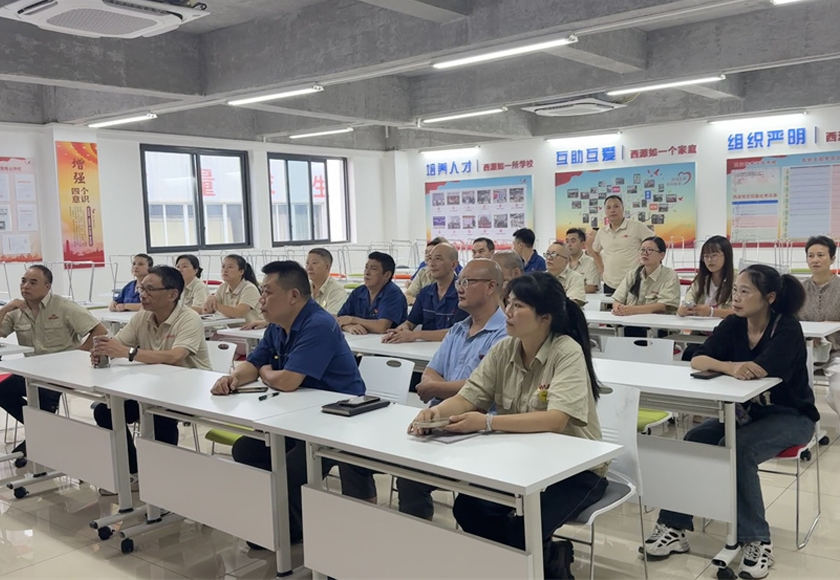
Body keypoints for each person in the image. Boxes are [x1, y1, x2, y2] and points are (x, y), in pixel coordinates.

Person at [409, 272, 606, 580]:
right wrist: (434, 414)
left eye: (518, 306)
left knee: (525, 531)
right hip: (523, 462)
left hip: (576, 469)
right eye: (508, 303)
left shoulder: (566, 351)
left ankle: (548, 564)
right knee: (469, 508)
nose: (508, 312)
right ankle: (549, 556)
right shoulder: (504, 349)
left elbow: (555, 420)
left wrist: (487, 422)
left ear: (544, 317)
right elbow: (469, 396)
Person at [644, 265, 817, 580]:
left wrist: (732, 366)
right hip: (747, 413)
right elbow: (697, 358)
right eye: (735, 290)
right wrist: (730, 366)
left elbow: (759, 370)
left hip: (791, 416)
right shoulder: (733, 324)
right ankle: (674, 526)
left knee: (740, 448)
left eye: (745, 291)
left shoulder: (786, 328)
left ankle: (758, 541)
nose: (736, 297)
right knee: (695, 439)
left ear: (769, 297)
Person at [210, 261, 376, 547]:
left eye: (267, 292)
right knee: (246, 450)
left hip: (339, 420)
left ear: (293, 295)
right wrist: (233, 378)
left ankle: (292, 529)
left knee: (290, 469)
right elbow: (254, 363)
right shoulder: (277, 326)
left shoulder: (318, 324)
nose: (261, 300)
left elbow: (287, 381)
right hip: (298, 415)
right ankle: (288, 524)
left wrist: (265, 373)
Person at [396, 258, 508, 520]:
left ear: (491, 286)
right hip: (438, 422)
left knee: (411, 476)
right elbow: (430, 373)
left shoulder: (505, 333)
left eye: (468, 282)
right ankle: (412, 535)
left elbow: (481, 390)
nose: (460, 287)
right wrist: (441, 387)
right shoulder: (458, 329)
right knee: (389, 465)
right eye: (460, 281)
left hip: (479, 430)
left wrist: (437, 388)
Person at [92, 265, 211, 494]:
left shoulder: (189, 318)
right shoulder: (143, 316)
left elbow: (174, 357)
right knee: (105, 411)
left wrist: (127, 352)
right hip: (153, 388)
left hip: (190, 392)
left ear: (172, 294)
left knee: (159, 417)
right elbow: (118, 344)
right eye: (141, 288)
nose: (142, 294)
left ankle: (164, 485)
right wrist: (103, 351)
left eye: (149, 289)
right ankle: (135, 471)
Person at [0, 265, 108, 463]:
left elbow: (99, 330)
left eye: (33, 282)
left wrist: (77, 355)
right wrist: (6, 309)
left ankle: (40, 437)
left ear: (47, 287)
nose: (26, 286)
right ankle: (45, 432)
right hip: (33, 371)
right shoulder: (16, 310)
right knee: (2, 390)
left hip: (63, 372)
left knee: (44, 393)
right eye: (23, 281)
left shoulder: (63, 306)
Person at [384, 243, 466, 344]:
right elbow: (410, 323)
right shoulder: (425, 293)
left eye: (438, 259)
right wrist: (401, 330)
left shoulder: (463, 293)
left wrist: (415, 335)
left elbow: (457, 332)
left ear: (453, 264)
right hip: (424, 349)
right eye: (430, 259)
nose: (431, 264)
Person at [798, 235, 840, 417]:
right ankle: (802, 427)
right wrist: (806, 334)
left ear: (832, 258)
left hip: (837, 352)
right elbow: (789, 320)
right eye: (811, 255)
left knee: (839, 389)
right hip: (805, 352)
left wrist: (832, 325)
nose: (815, 260)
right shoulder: (799, 290)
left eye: (821, 255)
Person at [589, 196, 654, 294]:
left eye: (616, 206)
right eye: (608, 207)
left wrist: (647, 265)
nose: (612, 210)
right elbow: (595, 251)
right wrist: (602, 270)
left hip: (633, 283)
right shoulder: (602, 232)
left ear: (623, 209)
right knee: (610, 305)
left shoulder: (636, 226)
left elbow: (655, 243)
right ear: (605, 212)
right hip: (610, 283)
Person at [337, 251, 407, 335]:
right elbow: (339, 319)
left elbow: (382, 327)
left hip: (385, 341)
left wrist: (352, 320)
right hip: (359, 339)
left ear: (387, 275)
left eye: (373, 269)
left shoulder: (393, 294)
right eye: (366, 267)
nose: (367, 272)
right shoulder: (358, 292)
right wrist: (348, 327)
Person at [611, 236, 681, 316]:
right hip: (630, 321)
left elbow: (663, 306)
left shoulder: (670, 276)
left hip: (657, 322)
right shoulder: (632, 274)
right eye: (642, 250)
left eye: (650, 250)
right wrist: (618, 308)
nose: (645, 253)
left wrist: (633, 310)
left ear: (662, 255)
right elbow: (618, 299)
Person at [678, 236, 735, 319]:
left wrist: (712, 312)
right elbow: (689, 298)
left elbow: (743, 311)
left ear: (726, 256)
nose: (709, 260)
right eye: (706, 256)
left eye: (714, 255)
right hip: (701, 326)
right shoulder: (701, 279)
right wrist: (683, 310)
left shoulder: (738, 279)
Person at [204, 254, 262, 324]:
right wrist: (210, 300)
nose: (225, 270)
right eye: (223, 267)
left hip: (251, 328)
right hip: (229, 328)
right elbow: (207, 311)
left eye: (230, 267)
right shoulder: (222, 287)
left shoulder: (249, 288)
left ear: (241, 272)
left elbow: (238, 313)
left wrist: (214, 304)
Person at [406, 237, 456, 304]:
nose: (432, 263)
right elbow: (408, 294)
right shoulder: (423, 272)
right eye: (426, 253)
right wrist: (419, 302)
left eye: (437, 258)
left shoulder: (456, 285)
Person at [306, 247, 348, 315]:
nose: (309, 267)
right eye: (307, 263)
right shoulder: (304, 289)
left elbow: (331, 319)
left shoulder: (337, 291)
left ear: (327, 267)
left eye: (314, 263)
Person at [544, 241, 587, 306]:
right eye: (547, 254)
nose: (549, 258)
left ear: (566, 260)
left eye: (554, 254)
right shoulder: (539, 278)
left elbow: (573, 304)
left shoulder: (575, 278)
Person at [565, 228, 600, 293]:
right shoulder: (562, 262)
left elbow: (591, 288)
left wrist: (566, 289)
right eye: (567, 241)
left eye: (573, 241)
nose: (569, 244)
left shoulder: (591, 262)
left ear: (582, 244)